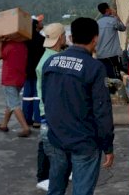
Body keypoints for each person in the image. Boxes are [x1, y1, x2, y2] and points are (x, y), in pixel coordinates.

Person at [42, 17, 114, 195]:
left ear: (71, 37)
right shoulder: (94, 67)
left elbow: (46, 98)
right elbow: (102, 110)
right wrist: (108, 146)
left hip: (56, 138)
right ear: (95, 38)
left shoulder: (50, 62)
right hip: (84, 142)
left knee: (55, 190)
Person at [34, 23, 68, 191]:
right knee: (49, 146)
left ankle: (44, 177)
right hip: (50, 110)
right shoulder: (52, 60)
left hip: (47, 108)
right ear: (60, 37)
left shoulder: (49, 55)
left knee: (48, 144)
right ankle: (44, 177)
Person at [0, 36, 31, 138]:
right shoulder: (23, 46)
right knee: (10, 102)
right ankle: (4, 125)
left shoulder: (9, 46)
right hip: (20, 78)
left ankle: (25, 128)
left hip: (9, 78)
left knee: (14, 104)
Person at [23, 17, 45, 128]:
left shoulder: (25, 39)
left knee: (27, 95)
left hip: (26, 70)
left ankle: (27, 119)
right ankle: (37, 119)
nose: (42, 24)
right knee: (38, 95)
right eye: (40, 23)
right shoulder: (41, 39)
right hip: (37, 70)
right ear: (36, 26)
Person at [96, 2, 127, 79]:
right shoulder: (113, 21)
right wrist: (116, 15)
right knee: (116, 76)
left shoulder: (97, 23)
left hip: (100, 55)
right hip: (112, 55)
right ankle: (116, 90)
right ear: (107, 9)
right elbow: (123, 28)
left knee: (105, 76)